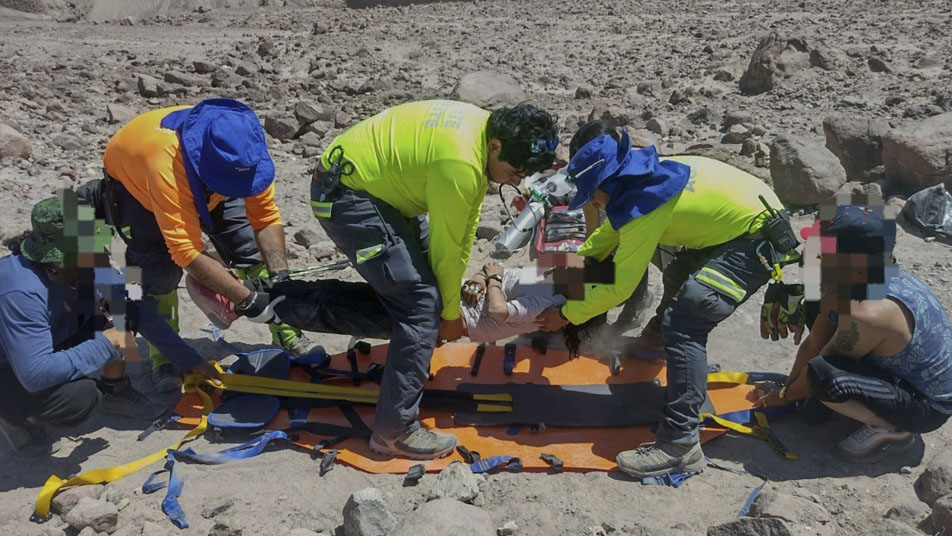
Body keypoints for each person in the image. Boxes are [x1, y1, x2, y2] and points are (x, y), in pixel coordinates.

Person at [537, 122, 797, 478]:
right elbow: (604, 238)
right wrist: (568, 272)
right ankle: (653, 348)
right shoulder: (637, 180)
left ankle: (679, 443)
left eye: (593, 195)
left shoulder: (644, 206)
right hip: (735, 224)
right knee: (678, 274)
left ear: (607, 184)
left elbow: (620, 288)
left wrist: (565, 314)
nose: (594, 202)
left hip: (755, 237)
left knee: (687, 321)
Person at [311, 99, 559, 459]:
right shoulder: (461, 163)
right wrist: (448, 315)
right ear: (496, 146)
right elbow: (447, 249)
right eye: (515, 170)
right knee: (421, 304)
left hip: (376, 187)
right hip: (347, 195)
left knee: (422, 293)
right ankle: (393, 433)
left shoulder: (483, 129)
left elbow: (465, 227)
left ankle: (406, 348)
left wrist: (456, 296)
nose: (518, 180)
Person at [95, 97, 312, 392]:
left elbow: (265, 218)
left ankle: (284, 326)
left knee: (247, 249)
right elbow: (184, 251)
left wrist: (281, 279)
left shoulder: (242, 154)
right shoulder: (165, 163)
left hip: (213, 179)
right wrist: (247, 300)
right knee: (156, 274)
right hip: (138, 190)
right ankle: (165, 357)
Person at [755, 204, 952, 460]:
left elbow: (822, 362)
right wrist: (787, 388)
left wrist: (787, 396)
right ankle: (829, 399)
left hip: (926, 404)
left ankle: (894, 429)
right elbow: (816, 339)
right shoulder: (854, 277)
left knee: (823, 376)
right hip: (894, 367)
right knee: (815, 308)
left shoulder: (870, 314)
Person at [0, 197, 159, 456]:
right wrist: (105, 345)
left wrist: (122, 295)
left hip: (45, 336)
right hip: (9, 368)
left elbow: (118, 286)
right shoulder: (21, 292)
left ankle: (115, 390)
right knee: (80, 397)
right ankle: (16, 417)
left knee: (123, 306)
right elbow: (35, 374)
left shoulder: (65, 267)